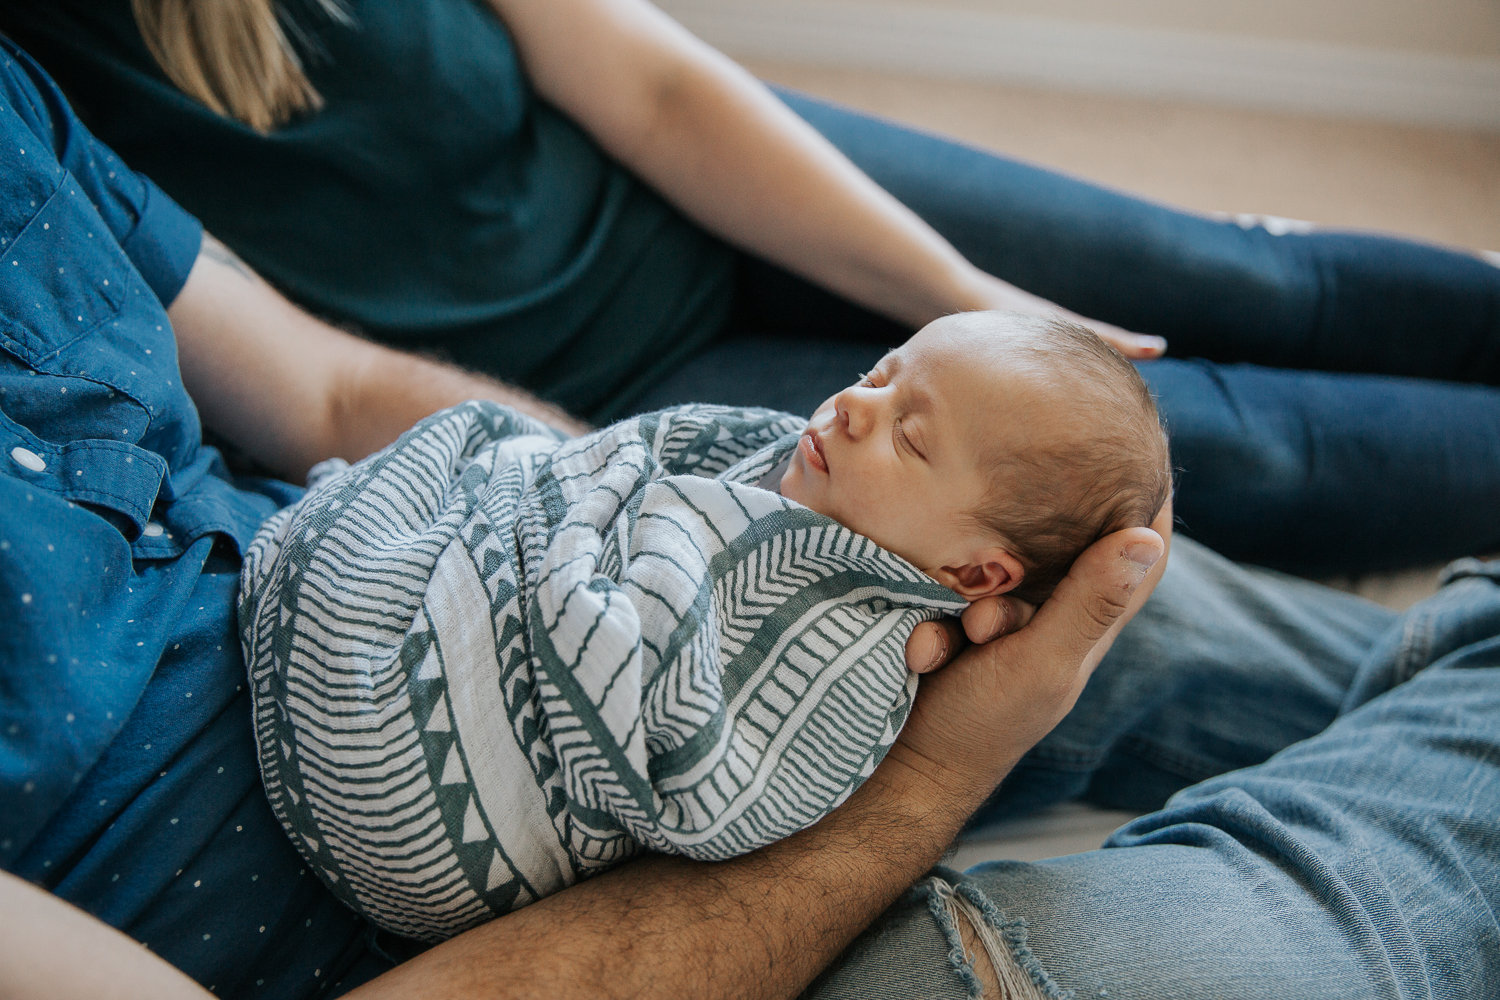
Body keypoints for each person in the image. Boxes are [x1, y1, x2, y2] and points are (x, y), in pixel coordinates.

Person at [0, 12, 1495, 1000]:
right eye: (883, 385)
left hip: (482, 481)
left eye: (895, 396)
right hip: (401, 862)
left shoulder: (20, 117)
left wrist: (618, 494)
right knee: (1238, 896)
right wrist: (933, 782)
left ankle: (1460, 658)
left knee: (1162, 531)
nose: (853, 402)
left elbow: (331, 397)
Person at [1, 0, 1498, 579]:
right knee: (1218, 444)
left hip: (681, 193)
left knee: (1227, 273)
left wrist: (973, 303)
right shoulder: (38, 83)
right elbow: (309, 391)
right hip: (605, 408)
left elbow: (651, 90)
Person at [236, 312, 1169, 941]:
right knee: (502, 451)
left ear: (973, 574)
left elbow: (718, 789)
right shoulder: (800, 482)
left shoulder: (849, 664)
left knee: (482, 450)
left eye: (909, 435)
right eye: (880, 377)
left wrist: (603, 519)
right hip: (381, 722)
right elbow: (637, 462)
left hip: (401, 799)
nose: (853, 407)